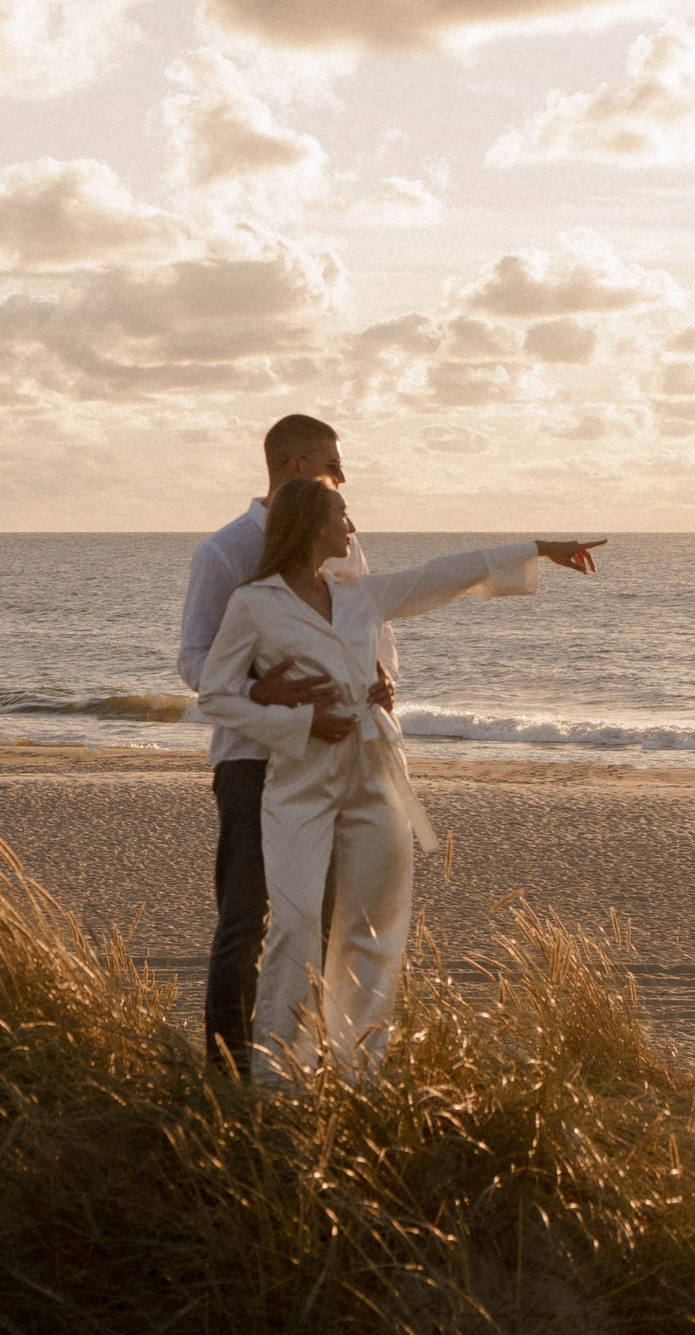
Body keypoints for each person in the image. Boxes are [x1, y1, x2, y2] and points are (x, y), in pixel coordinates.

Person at [197, 477, 603, 1083]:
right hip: (300, 781)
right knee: (296, 921)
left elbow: (441, 576)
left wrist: (537, 548)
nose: (350, 526)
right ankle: (277, 1078)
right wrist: (299, 722)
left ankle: (356, 1070)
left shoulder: (358, 595)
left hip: (376, 773)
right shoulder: (254, 603)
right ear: (313, 525)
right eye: (341, 514)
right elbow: (216, 695)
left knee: (372, 928)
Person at [176, 415, 394, 1078]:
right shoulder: (225, 551)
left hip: (329, 759)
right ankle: (226, 1072)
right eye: (333, 464)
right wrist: (261, 691)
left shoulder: (344, 548)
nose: (344, 478)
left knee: (319, 921)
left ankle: (299, 1062)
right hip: (249, 759)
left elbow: (367, 632)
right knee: (246, 918)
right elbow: (194, 662)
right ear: (297, 465)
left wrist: (379, 683)